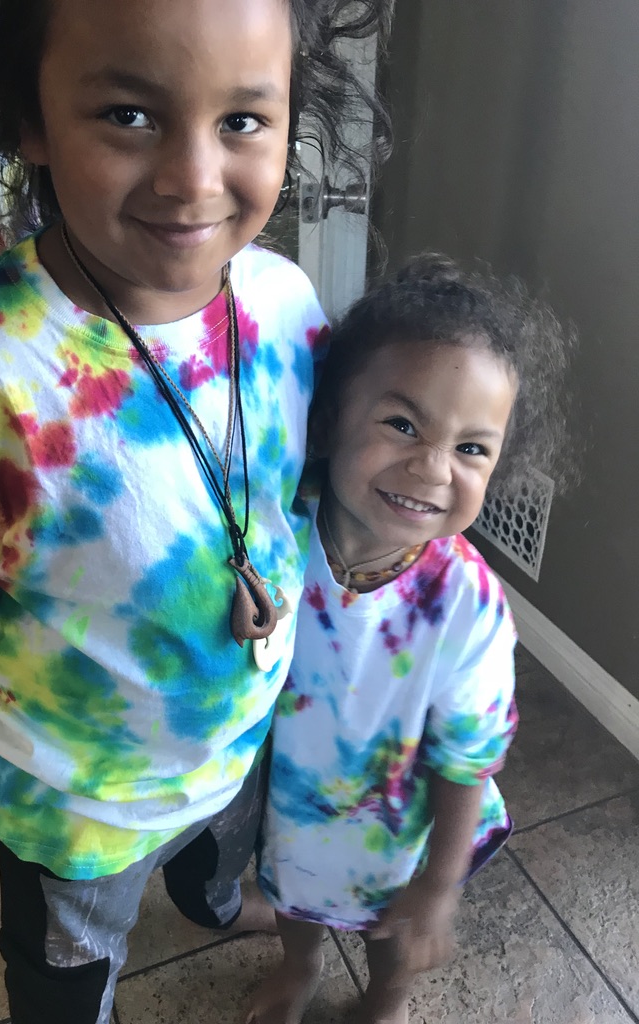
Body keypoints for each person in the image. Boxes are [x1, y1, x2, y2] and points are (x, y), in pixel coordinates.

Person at [0, 1, 393, 1022]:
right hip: (70, 808)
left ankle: (209, 899)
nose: (193, 179)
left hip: (236, 738)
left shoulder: (286, 303)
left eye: (241, 120)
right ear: (32, 120)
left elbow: (292, 487)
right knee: (66, 974)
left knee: (216, 863)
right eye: (129, 115)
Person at [248, 254, 576, 1024]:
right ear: (331, 417)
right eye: (402, 425)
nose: (432, 468)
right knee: (293, 901)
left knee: (391, 941)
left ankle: (386, 1000)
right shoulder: (275, 533)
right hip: (293, 802)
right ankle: (301, 967)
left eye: (472, 448)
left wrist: (437, 886)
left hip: (403, 833)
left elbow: (468, 760)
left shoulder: (468, 607)